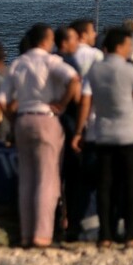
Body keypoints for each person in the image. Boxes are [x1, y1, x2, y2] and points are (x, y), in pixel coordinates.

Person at [0, 23, 80, 248]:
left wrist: (13, 119)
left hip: (23, 119)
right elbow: (74, 80)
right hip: (46, 118)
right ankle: (42, 235)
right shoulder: (50, 60)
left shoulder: (18, 64)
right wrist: (62, 104)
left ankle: (26, 233)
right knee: (47, 179)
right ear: (46, 40)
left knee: (26, 180)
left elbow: (2, 100)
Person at [72, 27, 133, 249]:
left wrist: (79, 131)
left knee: (105, 185)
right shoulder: (130, 70)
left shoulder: (94, 71)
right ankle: (131, 233)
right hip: (130, 133)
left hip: (103, 133)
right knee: (131, 184)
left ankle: (105, 234)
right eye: (128, 45)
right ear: (121, 46)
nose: (131, 48)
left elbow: (86, 101)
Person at [54, 26, 86, 241]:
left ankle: (59, 220)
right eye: (74, 39)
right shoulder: (69, 62)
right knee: (74, 177)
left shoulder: (51, 60)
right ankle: (71, 222)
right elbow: (77, 86)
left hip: (54, 123)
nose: (78, 43)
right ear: (65, 42)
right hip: (69, 121)